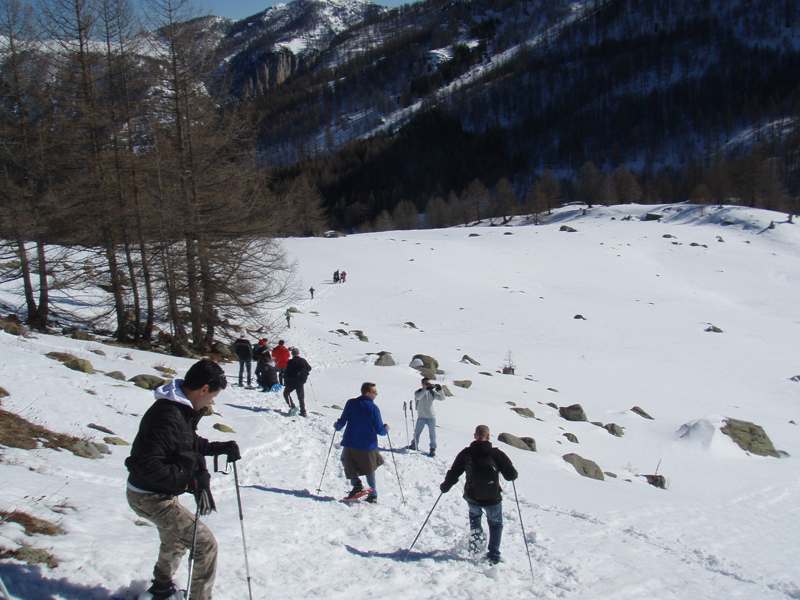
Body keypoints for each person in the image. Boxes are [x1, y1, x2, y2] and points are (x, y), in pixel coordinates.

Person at [125, 359, 240, 600]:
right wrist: (189, 483)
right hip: (149, 496)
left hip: (154, 492)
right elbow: (148, 464)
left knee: (175, 537)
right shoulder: (169, 415)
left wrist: (218, 447)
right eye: (212, 396)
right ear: (204, 389)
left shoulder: (180, 409)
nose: (210, 402)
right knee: (205, 544)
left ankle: (161, 587)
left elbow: (186, 442)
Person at [439, 425, 518, 565]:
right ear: (488, 436)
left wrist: (445, 486)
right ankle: (493, 554)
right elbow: (511, 475)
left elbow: (454, 472)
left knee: (475, 519)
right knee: (495, 524)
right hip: (493, 498)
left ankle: (476, 547)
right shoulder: (496, 454)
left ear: (475, 436)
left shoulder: (466, 453)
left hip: (472, 497)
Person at [334, 382, 389, 504]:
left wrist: (337, 426)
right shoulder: (373, 408)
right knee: (369, 468)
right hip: (367, 443)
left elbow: (343, 420)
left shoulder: (351, 403)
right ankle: (373, 494)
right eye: (374, 392)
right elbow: (379, 429)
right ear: (367, 393)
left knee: (346, 461)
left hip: (351, 441)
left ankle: (357, 484)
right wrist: (386, 430)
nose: (376, 394)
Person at [409, 377, 446, 456]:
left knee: (432, 434)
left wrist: (440, 390)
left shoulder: (432, 393)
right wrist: (426, 389)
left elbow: (442, 398)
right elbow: (418, 397)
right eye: (426, 384)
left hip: (431, 417)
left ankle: (433, 449)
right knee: (417, 433)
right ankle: (414, 445)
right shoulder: (418, 392)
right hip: (421, 416)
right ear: (422, 384)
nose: (428, 385)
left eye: (429, 384)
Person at [283, 347, 311, 416]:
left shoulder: (290, 362)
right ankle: (303, 411)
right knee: (301, 397)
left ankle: (292, 406)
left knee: (286, 393)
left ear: (292, 354)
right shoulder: (303, 361)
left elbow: (287, 373)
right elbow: (309, 368)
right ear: (298, 353)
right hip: (300, 382)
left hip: (291, 382)